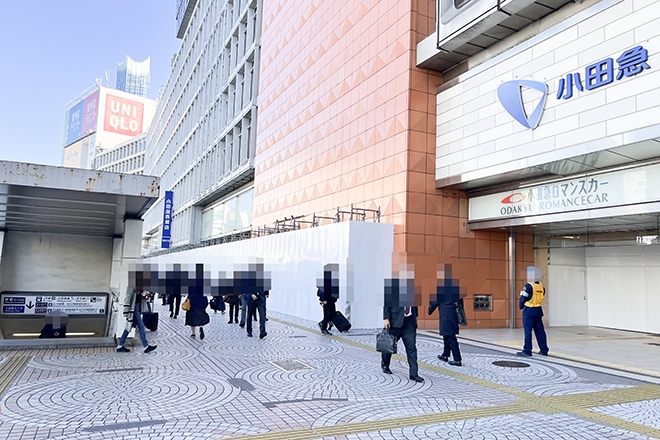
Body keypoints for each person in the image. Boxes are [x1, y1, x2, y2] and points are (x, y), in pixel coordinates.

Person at [381, 261, 423, 382]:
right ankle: (385, 364)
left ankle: (414, 374)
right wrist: (386, 318)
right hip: (395, 322)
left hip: (409, 323)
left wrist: (416, 317)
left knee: (412, 348)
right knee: (389, 345)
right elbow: (387, 303)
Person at [428, 264, 463, 366]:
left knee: (451, 337)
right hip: (453, 316)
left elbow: (435, 301)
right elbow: (461, 303)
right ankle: (445, 354)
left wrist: (429, 310)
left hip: (446, 316)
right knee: (447, 335)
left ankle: (457, 359)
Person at [117, 287, 157, 353]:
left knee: (128, 328)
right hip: (134, 309)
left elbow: (139, 298)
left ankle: (120, 345)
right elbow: (127, 298)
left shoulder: (140, 288)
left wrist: (145, 295)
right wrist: (126, 311)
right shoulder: (131, 287)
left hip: (137, 308)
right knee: (141, 327)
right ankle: (145, 346)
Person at [517, 279, 549, 357]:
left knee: (528, 331)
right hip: (538, 311)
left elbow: (523, 298)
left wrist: (521, 306)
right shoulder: (541, 287)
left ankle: (527, 350)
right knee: (540, 331)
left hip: (528, 311)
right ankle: (544, 350)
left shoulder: (528, 286)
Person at [317, 265, 338, 335]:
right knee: (327, 314)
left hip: (332, 299)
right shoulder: (324, 279)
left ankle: (322, 323)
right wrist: (323, 299)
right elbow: (321, 290)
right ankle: (324, 328)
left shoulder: (333, 279)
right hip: (326, 300)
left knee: (333, 313)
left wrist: (335, 298)